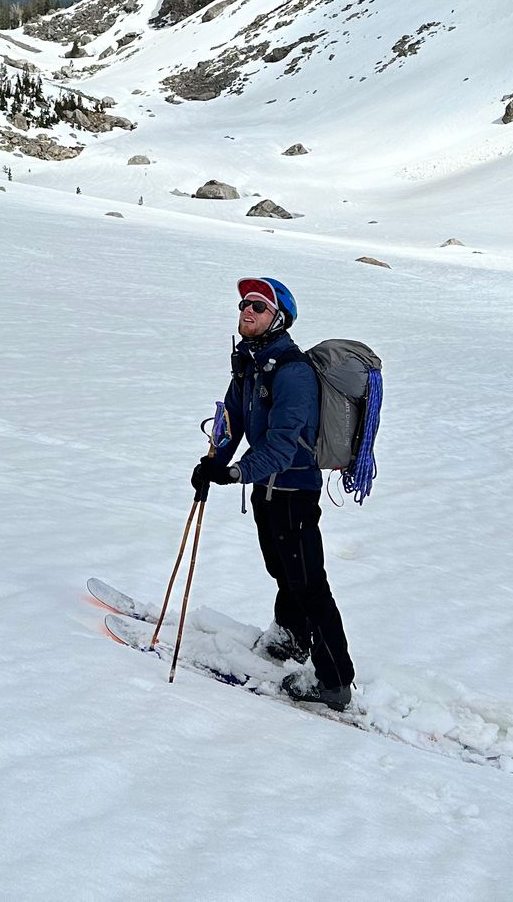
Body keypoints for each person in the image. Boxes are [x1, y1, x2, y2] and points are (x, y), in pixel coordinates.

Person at [190, 277, 357, 711]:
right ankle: (291, 637)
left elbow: (284, 445)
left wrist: (236, 471)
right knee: (281, 571)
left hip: (294, 491)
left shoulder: (293, 372)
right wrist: (213, 461)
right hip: (266, 492)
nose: (247, 311)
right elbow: (232, 420)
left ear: (278, 319)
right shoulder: (248, 363)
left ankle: (335, 682)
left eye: (259, 307)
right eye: (245, 304)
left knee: (309, 584)